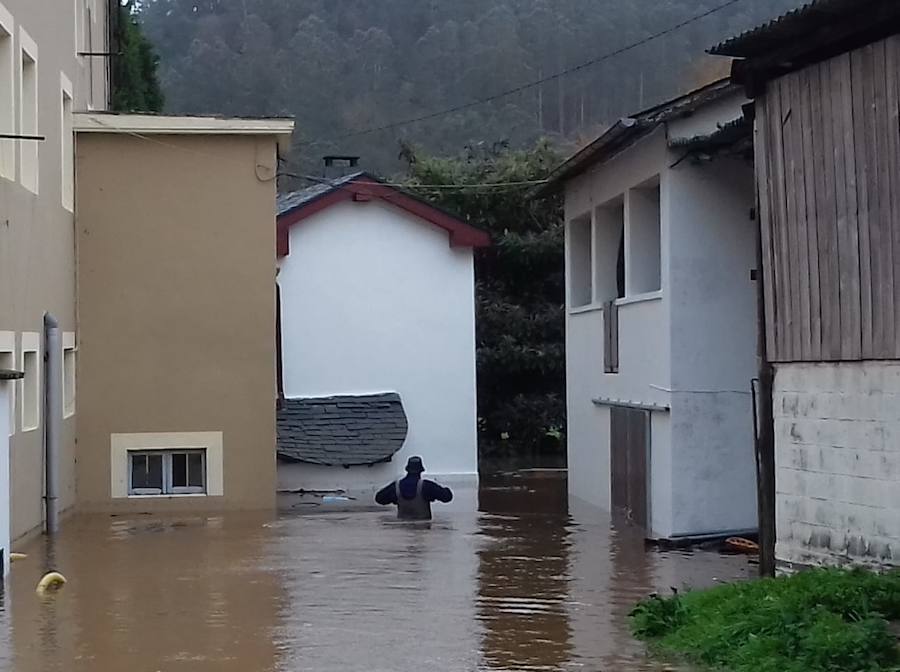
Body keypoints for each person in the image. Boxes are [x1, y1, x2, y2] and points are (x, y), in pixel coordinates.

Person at [375, 456, 453, 520]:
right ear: (421, 470)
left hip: (402, 531)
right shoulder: (427, 486)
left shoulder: (396, 486)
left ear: (407, 470)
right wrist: (445, 489)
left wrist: (394, 499)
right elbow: (447, 497)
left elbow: (378, 499)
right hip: (423, 529)